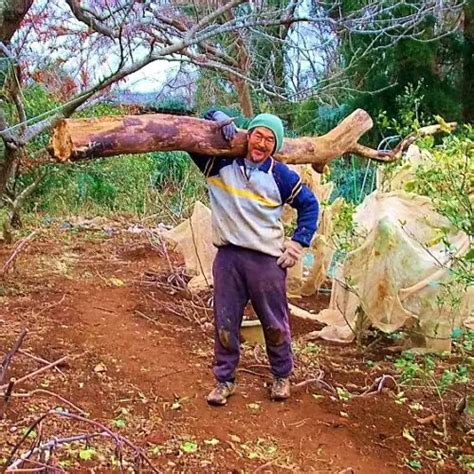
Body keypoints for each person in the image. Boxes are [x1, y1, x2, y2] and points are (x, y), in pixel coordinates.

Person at [189, 109, 319, 406]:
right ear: (247, 136)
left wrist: (298, 244)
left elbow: (309, 206)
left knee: (274, 322)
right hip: (229, 259)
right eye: (257, 135)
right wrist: (218, 118)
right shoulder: (218, 164)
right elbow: (190, 136)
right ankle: (224, 381)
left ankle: (281, 375)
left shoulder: (281, 175)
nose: (261, 144)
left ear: (275, 146)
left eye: (269, 140)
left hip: (266, 262)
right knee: (225, 322)